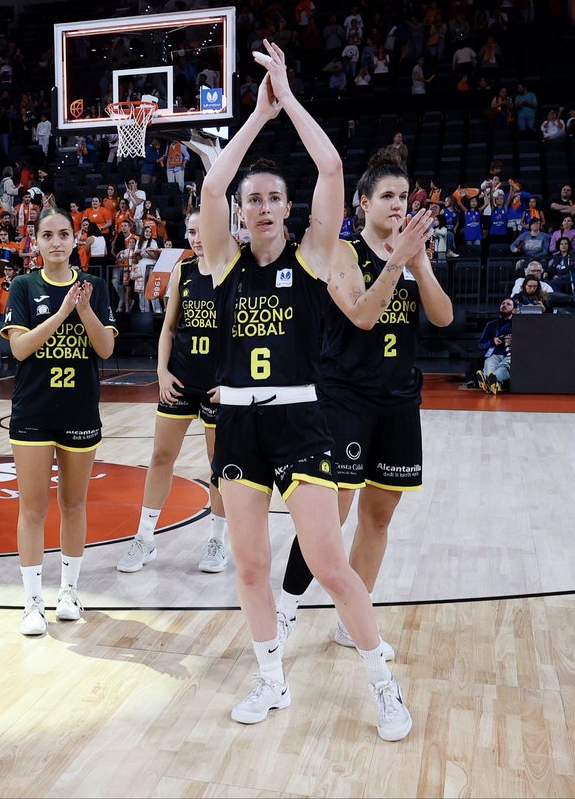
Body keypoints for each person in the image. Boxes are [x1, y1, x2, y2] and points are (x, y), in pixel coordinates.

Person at [198, 42, 413, 741]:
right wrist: (253, 123)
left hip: (301, 421)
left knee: (329, 564)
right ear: (241, 210)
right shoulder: (224, 261)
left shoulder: (313, 256)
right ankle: (270, 678)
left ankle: (384, 683)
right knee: (252, 564)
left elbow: (329, 166)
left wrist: (285, 98)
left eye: (271, 198)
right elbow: (209, 191)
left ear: (289, 210)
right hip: (238, 426)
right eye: (251, 199)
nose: (261, 206)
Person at [275, 150, 453, 661]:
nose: (399, 205)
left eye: (405, 196)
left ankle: (353, 619)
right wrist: (398, 262)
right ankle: (285, 609)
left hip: (399, 400)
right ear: (364, 202)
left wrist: (418, 262)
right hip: (344, 398)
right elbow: (361, 316)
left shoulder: (410, 253)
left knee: (379, 516)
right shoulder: (345, 251)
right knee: (327, 519)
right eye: (389, 197)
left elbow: (442, 318)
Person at [1, 206, 116, 636]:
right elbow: (20, 349)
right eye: (47, 235)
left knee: (74, 504)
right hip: (33, 410)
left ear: (75, 240)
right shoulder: (23, 286)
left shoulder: (96, 288)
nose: (56, 242)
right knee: (32, 507)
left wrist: (83, 309)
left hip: (80, 409)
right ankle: (32, 601)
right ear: (35, 242)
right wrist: (64, 311)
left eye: (63, 234)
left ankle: (68, 592)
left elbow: (104, 349)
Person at [117, 211, 230, 574]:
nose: (196, 238)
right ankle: (145, 538)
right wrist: (161, 371)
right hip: (179, 378)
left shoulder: (233, 271)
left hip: (216, 385)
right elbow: (168, 328)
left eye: (203, 230)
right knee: (161, 456)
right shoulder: (184, 271)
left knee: (219, 465)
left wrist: (234, 381)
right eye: (191, 231)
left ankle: (217, 541)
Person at [476, 299, 513, 394]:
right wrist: (493, 341)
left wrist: (513, 341)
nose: (504, 305)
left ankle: (489, 382)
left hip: (511, 353)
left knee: (505, 365)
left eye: (508, 304)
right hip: (495, 353)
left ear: (514, 310)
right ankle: (494, 384)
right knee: (489, 362)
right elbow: (481, 344)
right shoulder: (491, 324)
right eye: (503, 303)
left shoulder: (519, 323)